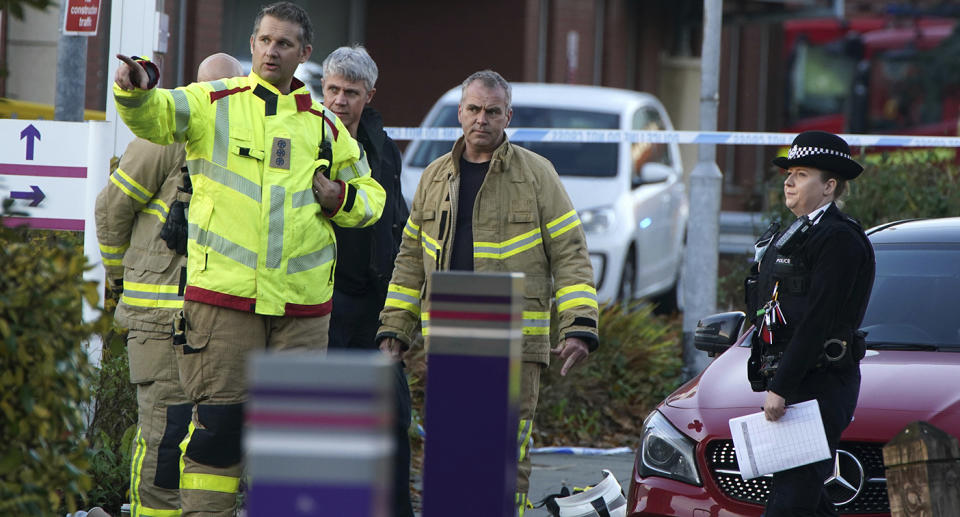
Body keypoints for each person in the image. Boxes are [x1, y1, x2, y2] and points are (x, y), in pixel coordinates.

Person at [112, 3, 385, 515]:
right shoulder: (214, 100)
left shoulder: (323, 124)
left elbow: (373, 196)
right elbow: (155, 115)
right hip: (224, 304)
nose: (270, 51)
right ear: (253, 43)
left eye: (283, 44)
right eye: (263, 40)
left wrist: (341, 200)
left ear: (304, 54)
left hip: (301, 314)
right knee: (217, 437)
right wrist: (135, 87)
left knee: (289, 448)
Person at [376, 70, 600, 515]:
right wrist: (394, 330)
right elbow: (408, 261)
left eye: (492, 111)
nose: (482, 119)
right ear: (460, 113)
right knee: (451, 454)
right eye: (474, 109)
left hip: (515, 343)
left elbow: (570, 253)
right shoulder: (435, 177)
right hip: (450, 341)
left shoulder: (538, 176)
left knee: (504, 457)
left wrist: (579, 325)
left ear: (507, 116)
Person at [95, 52, 243, 517]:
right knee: (164, 436)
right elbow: (110, 211)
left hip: (215, 320)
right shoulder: (164, 138)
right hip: (160, 320)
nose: (217, 101)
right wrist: (121, 281)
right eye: (208, 90)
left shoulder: (241, 140)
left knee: (210, 441)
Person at [745, 130, 875, 516]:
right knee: (807, 502)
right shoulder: (794, 234)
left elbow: (818, 319)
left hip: (819, 383)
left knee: (790, 502)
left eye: (801, 174)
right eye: (789, 173)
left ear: (829, 185)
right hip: (798, 381)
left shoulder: (839, 239)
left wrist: (781, 387)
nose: (788, 181)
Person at [321, 45, 414, 517]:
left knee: (393, 417)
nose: (340, 101)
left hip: (376, 304)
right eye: (333, 89)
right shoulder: (307, 138)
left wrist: (397, 312)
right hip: (323, 302)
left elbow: (396, 221)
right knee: (329, 422)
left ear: (369, 94)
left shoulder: (383, 148)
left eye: (351, 93)